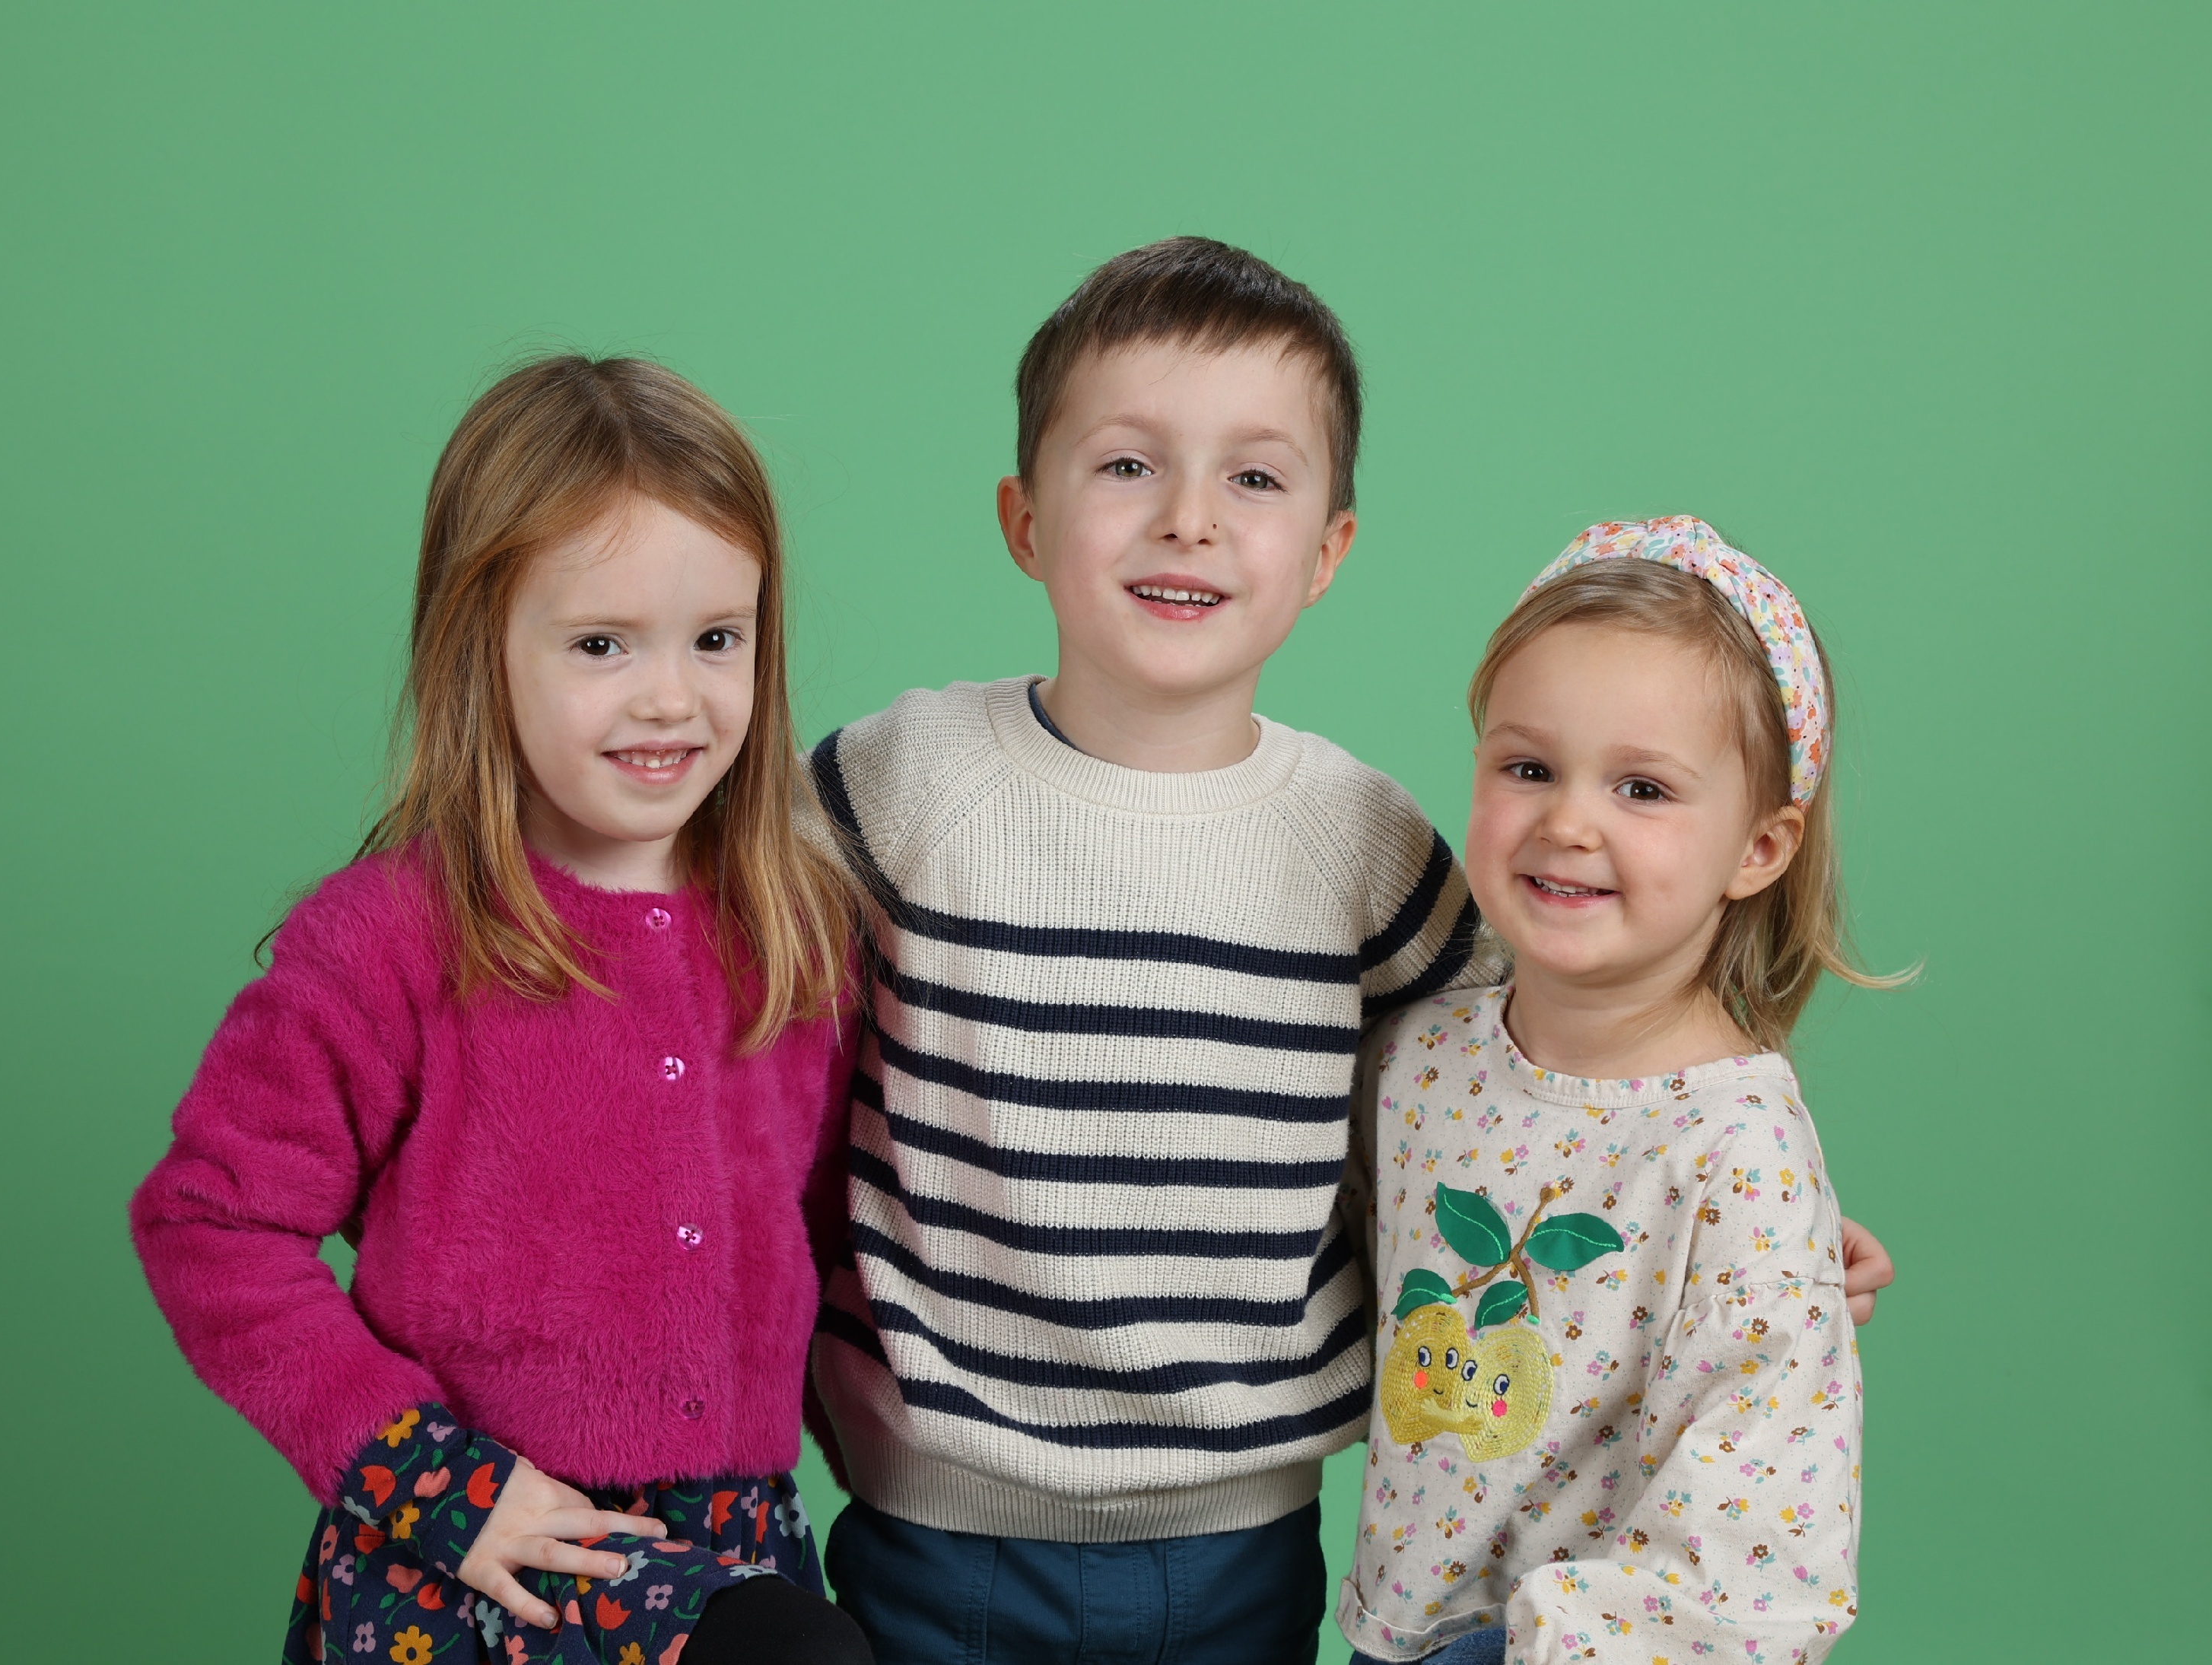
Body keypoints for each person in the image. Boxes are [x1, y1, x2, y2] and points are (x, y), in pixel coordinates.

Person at [804, 240, 1893, 1663]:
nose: (1189, 520)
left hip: (1237, 1543)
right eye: (1127, 464)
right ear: (1023, 517)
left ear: (1328, 550)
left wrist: (1760, 1249)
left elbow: (1544, 1089)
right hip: (935, 1516)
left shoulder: (1361, 843)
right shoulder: (903, 781)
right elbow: (717, 1003)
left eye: (1255, 478)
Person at [130, 356, 874, 1665]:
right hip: (473, 1558)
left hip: (731, 1546)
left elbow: (824, 1243)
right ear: (483, 647)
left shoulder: (798, 933)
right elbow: (211, 1223)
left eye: (717, 638)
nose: (671, 696)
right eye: (601, 644)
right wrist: (431, 1481)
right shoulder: (391, 936)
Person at [1339, 519, 1888, 1664]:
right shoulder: (1417, 1058)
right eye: (1528, 768)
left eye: (1643, 787)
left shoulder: (1737, 1154)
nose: (1569, 822)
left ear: (1760, 847)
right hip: (1396, 1632)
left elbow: (1760, 1555)